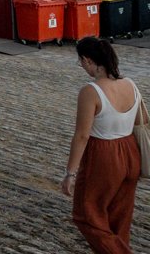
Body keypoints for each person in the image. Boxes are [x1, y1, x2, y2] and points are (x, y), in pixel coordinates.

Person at [62, 36, 141, 253]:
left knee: (86, 214)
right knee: (119, 217)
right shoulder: (130, 85)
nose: (81, 66)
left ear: (87, 60)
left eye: (80, 62)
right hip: (130, 151)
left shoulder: (91, 91)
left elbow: (82, 136)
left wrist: (70, 173)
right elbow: (141, 121)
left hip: (103, 154)